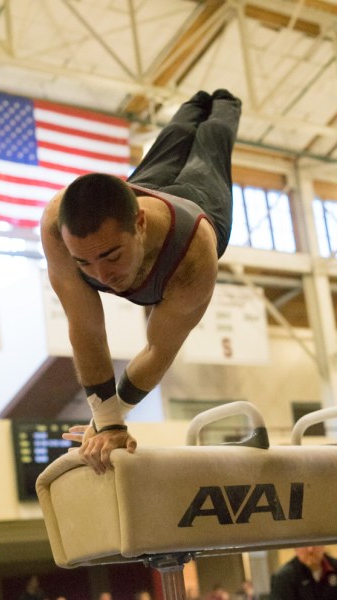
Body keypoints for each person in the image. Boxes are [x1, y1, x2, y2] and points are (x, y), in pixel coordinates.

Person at [41, 89, 242, 474]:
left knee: (209, 148)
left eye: (111, 257)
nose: (101, 276)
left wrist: (112, 420)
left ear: (140, 224)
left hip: (201, 206)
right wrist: (108, 421)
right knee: (172, 139)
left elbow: (157, 350)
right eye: (84, 262)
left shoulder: (193, 258)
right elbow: (86, 329)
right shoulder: (55, 227)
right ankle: (193, 101)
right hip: (148, 191)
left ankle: (224, 102)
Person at [270, 545, 337, 599]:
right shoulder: (284, 578)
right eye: (304, 545)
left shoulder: (335, 567)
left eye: (315, 543)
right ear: (295, 548)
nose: (310, 549)